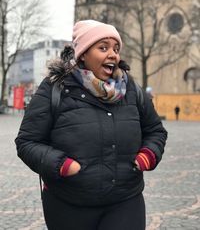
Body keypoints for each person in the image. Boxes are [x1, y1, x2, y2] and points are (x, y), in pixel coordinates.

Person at [15, 20, 167, 230]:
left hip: (125, 199)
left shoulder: (131, 88)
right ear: (83, 54)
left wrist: (149, 154)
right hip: (68, 203)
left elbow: (155, 131)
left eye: (116, 48)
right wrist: (61, 164)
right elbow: (27, 141)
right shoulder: (55, 87)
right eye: (103, 48)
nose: (112, 54)